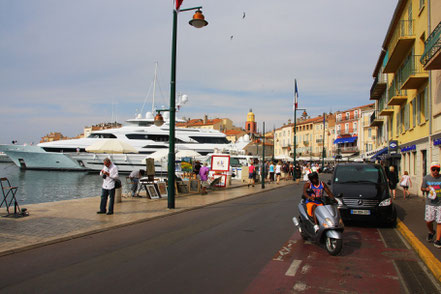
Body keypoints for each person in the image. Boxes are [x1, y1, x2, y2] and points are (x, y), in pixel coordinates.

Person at [421, 162, 441, 248]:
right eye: (434, 169)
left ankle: (438, 240)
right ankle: (432, 232)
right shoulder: (426, 178)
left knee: (440, 222)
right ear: (431, 169)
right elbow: (422, 188)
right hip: (430, 203)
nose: (436, 171)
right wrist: (426, 189)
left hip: (440, 203)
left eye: (437, 169)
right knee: (429, 221)